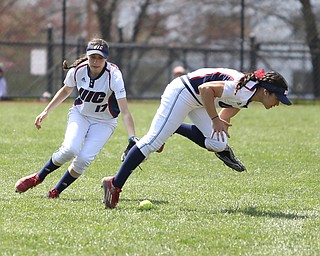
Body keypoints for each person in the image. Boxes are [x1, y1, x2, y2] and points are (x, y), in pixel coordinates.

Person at [101, 67, 292, 209]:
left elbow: (234, 103)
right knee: (153, 142)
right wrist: (215, 119)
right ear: (266, 91)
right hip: (183, 92)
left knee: (218, 143)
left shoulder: (251, 93)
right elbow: (206, 89)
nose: (278, 104)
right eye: (278, 99)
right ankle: (114, 184)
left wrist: (222, 120)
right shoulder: (246, 89)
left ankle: (171, 128)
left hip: (199, 99)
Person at [15, 38, 136, 198]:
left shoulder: (113, 76)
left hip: (104, 121)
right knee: (69, 150)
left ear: (106, 58)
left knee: (84, 159)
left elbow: (125, 110)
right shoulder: (78, 70)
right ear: (87, 56)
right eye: (93, 56)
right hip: (81, 115)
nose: (96, 61)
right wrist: (46, 111)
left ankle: (56, 191)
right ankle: (38, 177)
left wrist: (132, 137)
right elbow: (66, 90)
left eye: (100, 57)